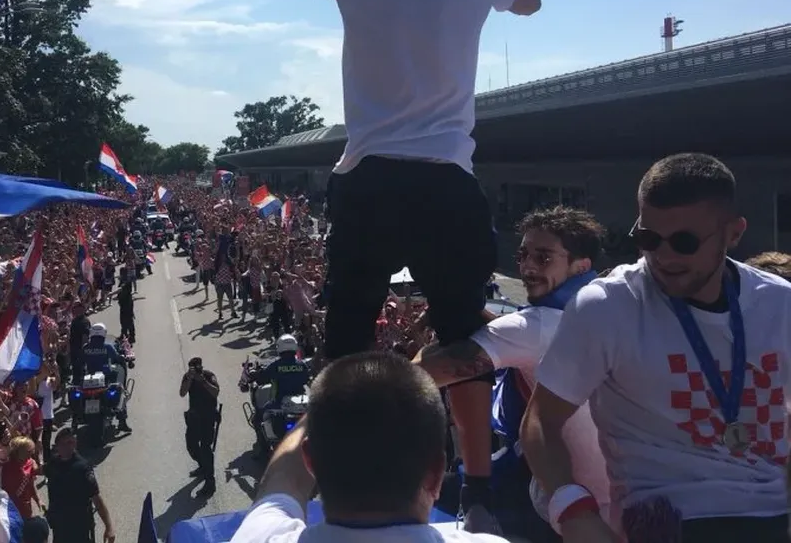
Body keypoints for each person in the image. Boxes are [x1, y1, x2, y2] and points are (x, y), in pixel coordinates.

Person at [260, 0, 541, 489]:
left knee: (348, 339)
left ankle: (336, 478)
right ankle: (478, 485)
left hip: (371, 178)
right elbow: (531, 2)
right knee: (465, 341)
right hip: (447, 181)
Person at [521, 153, 791, 543]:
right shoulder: (607, 307)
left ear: (734, 233)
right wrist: (574, 510)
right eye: (648, 238)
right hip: (673, 520)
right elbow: (541, 421)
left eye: (684, 242)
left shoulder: (780, 304)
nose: (663, 257)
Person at [416, 207, 610, 539]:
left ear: (581, 265)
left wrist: (446, 319)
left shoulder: (533, 328)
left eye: (544, 258)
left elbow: (420, 375)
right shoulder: (605, 308)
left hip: (573, 509)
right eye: (523, 255)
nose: (528, 267)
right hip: (625, 498)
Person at [229, 351, 510, 543]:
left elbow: (282, 482)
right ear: (436, 474)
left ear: (311, 461)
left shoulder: (261, 537)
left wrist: (339, 398)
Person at [45, 428, 116, 543]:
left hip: (79, 525)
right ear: (57, 446)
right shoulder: (53, 463)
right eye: (63, 443)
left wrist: (109, 526)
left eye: (71, 442)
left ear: (75, 443)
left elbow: (96, 498)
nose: (68, 446)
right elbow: (39, 470)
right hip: (58, 524)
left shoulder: (83, 467)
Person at [249, 334, 310, 452]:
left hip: (280, 402)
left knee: (257, 418)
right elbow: (306, 379)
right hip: (301, 402)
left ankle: (262, 449)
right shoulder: (301, 365)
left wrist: (254, 375)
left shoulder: (276, 365)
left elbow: (262, 378)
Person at [180, 356, 221, 496]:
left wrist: (202, 381)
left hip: (208, 417)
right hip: (194, 417)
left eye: (198, 367)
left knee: (205, 448)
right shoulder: (187, 377)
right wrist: (190, 379)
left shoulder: (209, 376)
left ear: (201, 367)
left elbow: (216, 392)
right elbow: (182, 393)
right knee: (191, 445)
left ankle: (210, 482)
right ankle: (202, 466)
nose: (196, 370)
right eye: (193, 368)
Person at [81, 323, 132, 433]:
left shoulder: (86, 347)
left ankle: (75, 421)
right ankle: (122, 421)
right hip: (106, 376)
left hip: (89, 377)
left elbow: (81, 361)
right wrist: (124, 357)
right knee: (119, 387)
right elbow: (117, 357)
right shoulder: (107, 347)